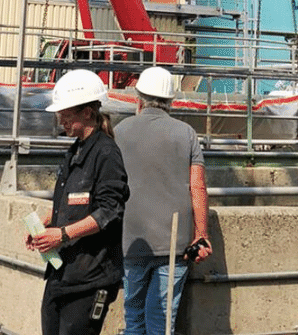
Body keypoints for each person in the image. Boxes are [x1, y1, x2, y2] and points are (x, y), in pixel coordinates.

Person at [26, 69, 129, 335]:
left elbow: (109, 211)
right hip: (64, 272)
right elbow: (75, 202)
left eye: (66, 115)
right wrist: (47, 224)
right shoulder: (75, 150)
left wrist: (61, 234)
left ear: (87, 113)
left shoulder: (106, 153)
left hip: (90, 278)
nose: (61, 121)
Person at [114, 66, 212, 335]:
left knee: (134, 319)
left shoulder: (120, 131)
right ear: (171, 101)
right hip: (174, 244)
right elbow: (197, 186)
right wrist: (201, 235)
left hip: (131, 241)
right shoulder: (186, 133)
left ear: (138, 99)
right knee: (162, 323)